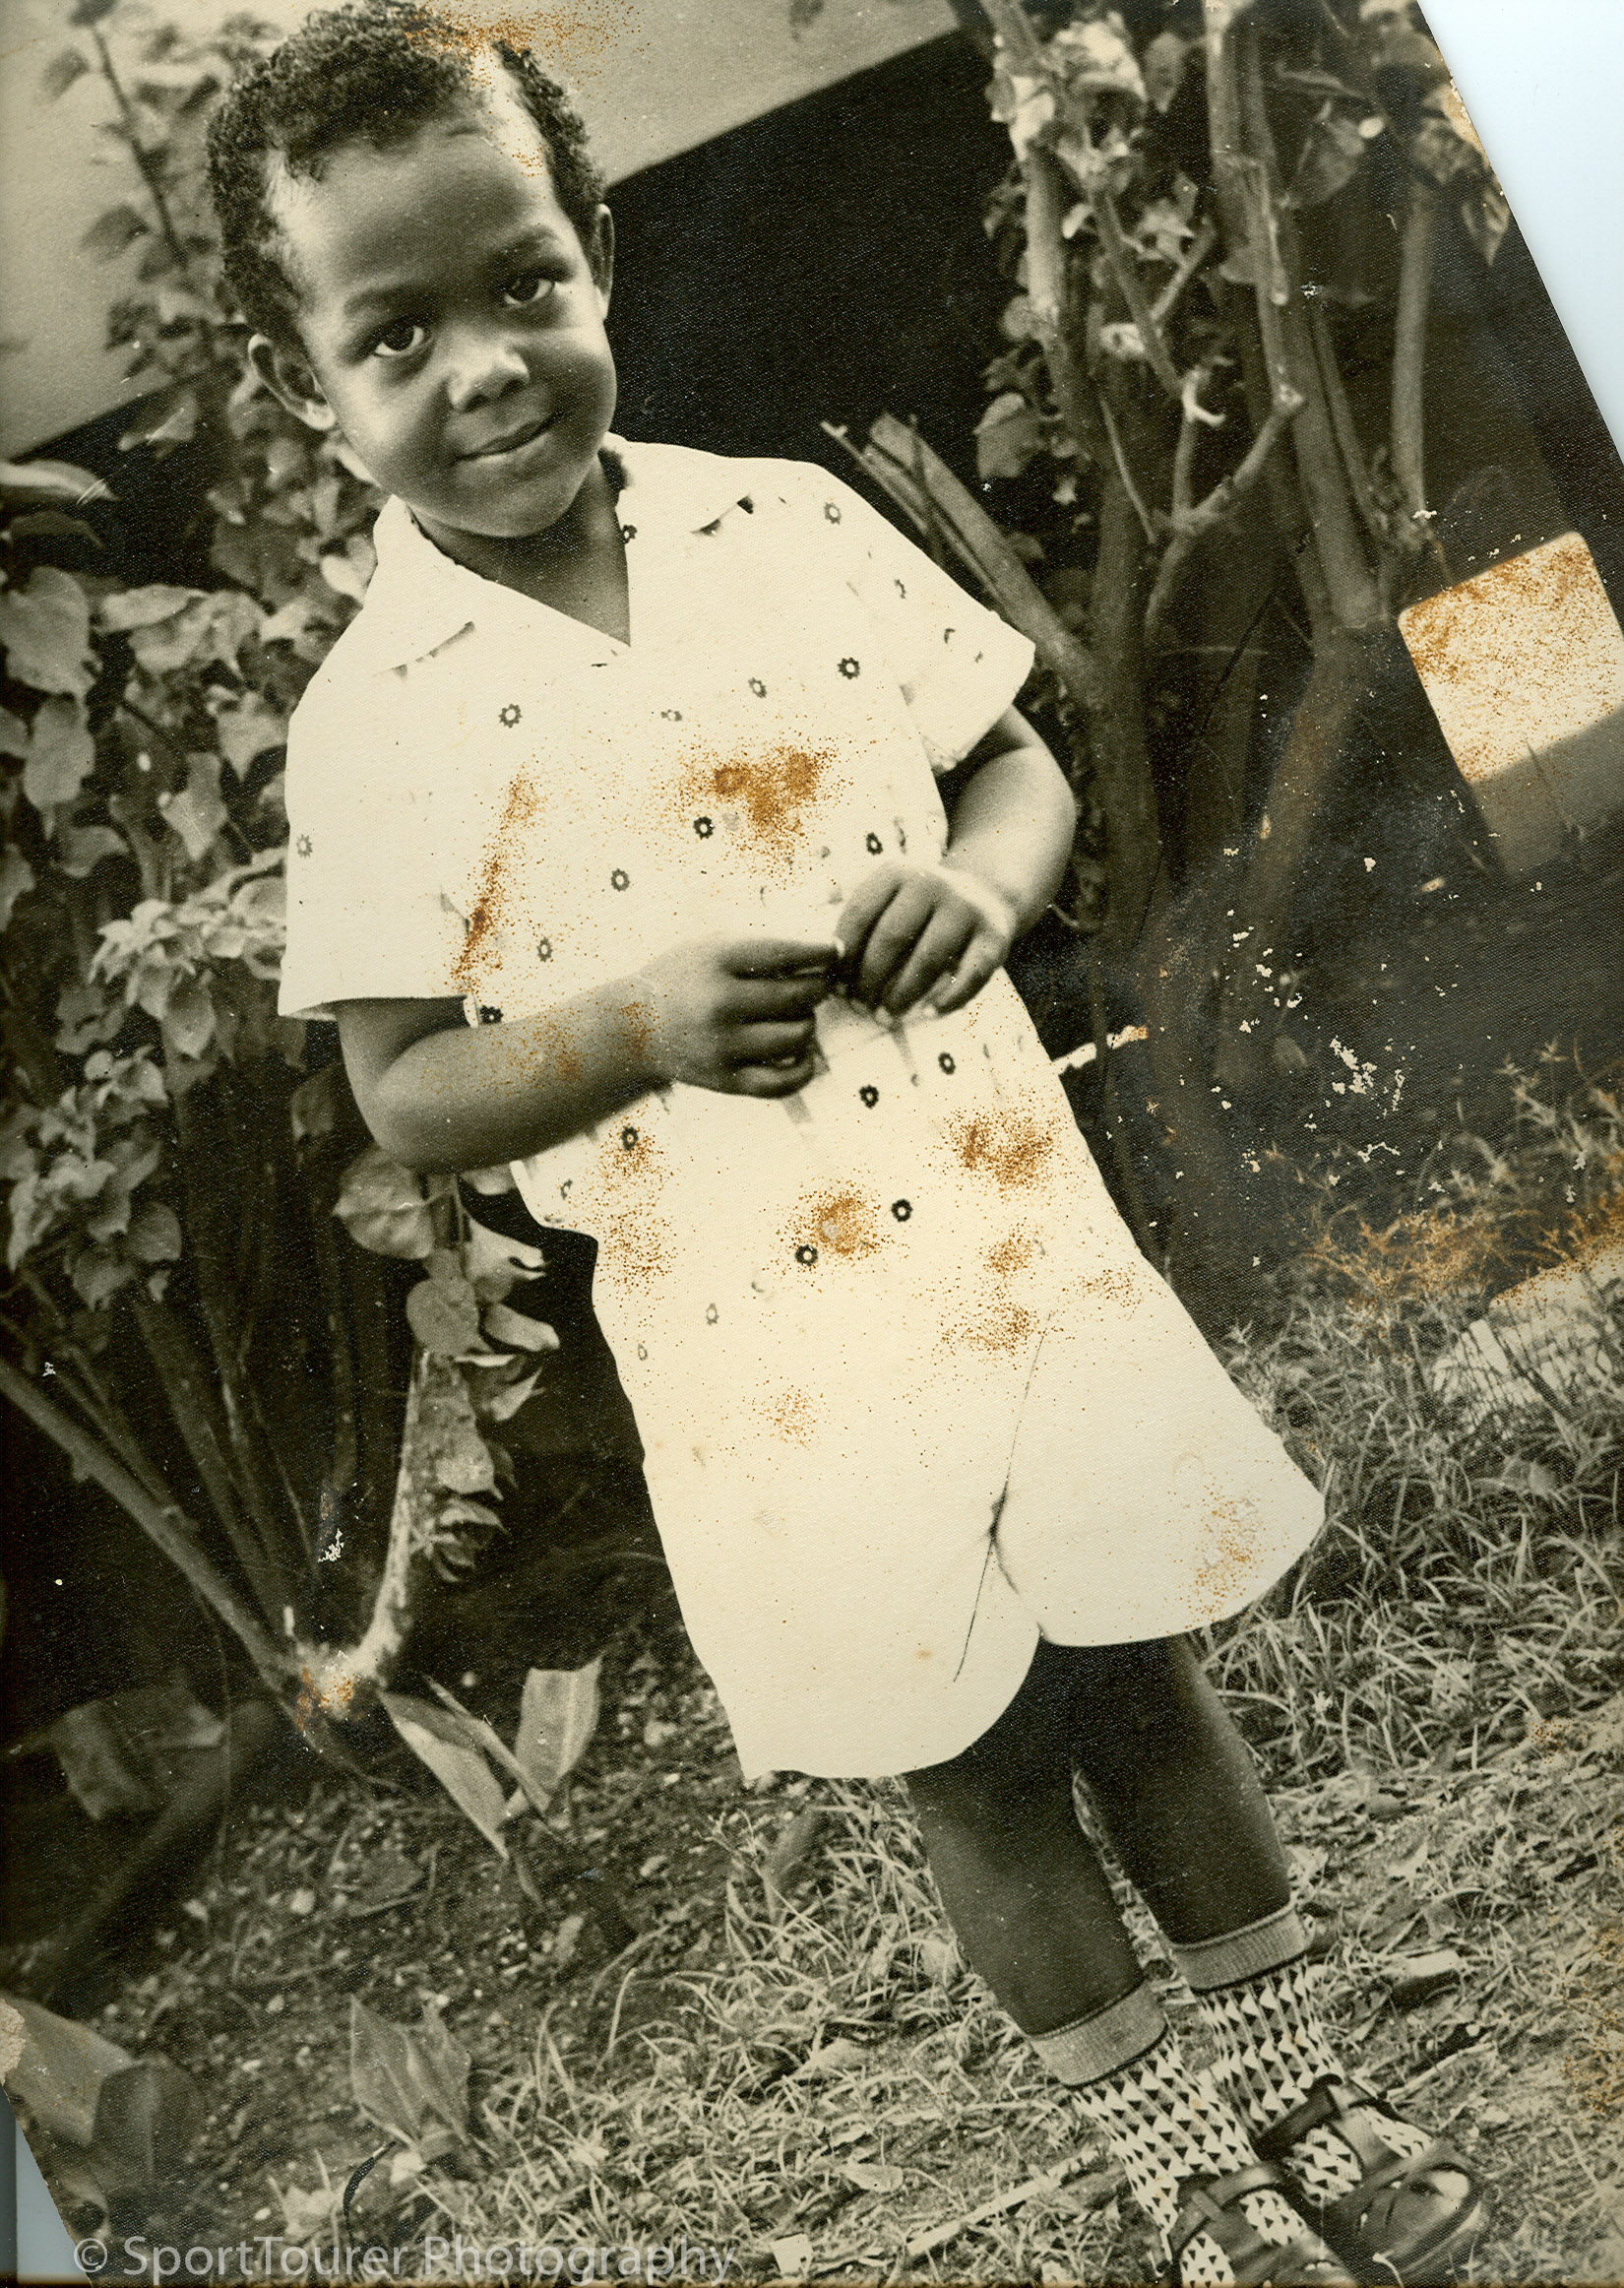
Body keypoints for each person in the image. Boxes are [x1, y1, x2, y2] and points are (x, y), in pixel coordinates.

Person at [207, 8, 1484, 2278]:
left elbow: (1017, 767)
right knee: (966, 1747)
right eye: (396, 335)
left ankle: (1312, 2095)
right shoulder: (369, 730)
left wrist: (982, 886)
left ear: (593, 254)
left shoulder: (781, 525)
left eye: (523, 285)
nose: (487, 367)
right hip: (759, 1345)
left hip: (1002, 1240)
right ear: (306, 383)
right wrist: (622, 1025)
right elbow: (404, 1085)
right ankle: (1178, 2175)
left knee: (1134, 1669)